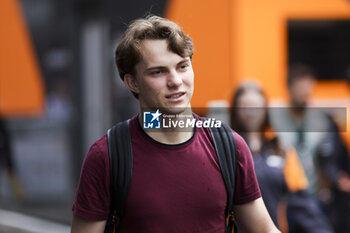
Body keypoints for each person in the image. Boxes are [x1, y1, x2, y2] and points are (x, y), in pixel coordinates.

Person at [71, 15, 279, 233]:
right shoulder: (107, 156)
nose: (176, 81)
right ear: (132, 82)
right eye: (158, 71)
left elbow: (264, 230)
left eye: (182, 66)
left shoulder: (229, 146)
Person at [230, 82, 333, 233]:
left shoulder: (281, 148)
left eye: (256, 106)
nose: (251, 112)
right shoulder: (225, 149)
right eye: (244, 106)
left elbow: (303, 201)